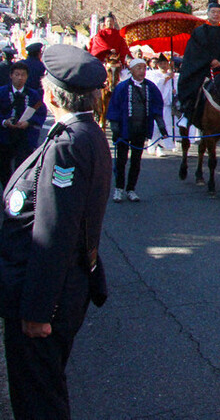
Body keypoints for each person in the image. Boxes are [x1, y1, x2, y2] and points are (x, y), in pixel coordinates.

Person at [0, 44, 110, 420]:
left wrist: (37, 310)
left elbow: (54, 233)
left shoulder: (69, 144)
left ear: (49, 94)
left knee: (37, 400)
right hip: (62, 289)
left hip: (47, 297)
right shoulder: (86, 132)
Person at [106, 58, 168, 203]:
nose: (142, 71)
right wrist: (114, 127)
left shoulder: (151, 87)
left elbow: (157, 109)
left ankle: (131, 189)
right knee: (121, 160)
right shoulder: (121, 87)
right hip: (123, 129)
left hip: (141, 129)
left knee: (136, 161)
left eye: (144, 68)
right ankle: (119, 188)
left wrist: (162, 127)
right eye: (139, 68)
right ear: (131, 70)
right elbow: (114, 107)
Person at [176, 0, 220, 129]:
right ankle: (187, 114)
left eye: (218, 12)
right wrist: (210, 60)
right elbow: (195, 51)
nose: (216, 15)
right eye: (213, 12)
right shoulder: (199, 32)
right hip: (202, 69)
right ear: (208, 13)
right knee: (193, 87)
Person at [0, 62, 48, 188]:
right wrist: (5, 121)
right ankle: (6, 190)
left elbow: (41, 112)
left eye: (23, 75)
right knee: (4, 166)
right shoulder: (2, 92)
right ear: (11, 76)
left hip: (25, 136)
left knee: (23, 165)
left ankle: (19, 190)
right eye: (17, 74)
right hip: (5, 136)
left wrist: (29, 122)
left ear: (27, 77)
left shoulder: (33, 94)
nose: (20, 77)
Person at [146, 54, 179, 156]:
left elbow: (176, 89)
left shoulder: (174, 75)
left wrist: (174, 91)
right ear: (157, 65)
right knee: (156, 127)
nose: (163, 65)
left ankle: (163, 146)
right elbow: (155, 87)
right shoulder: (152, 75)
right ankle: (154, 146)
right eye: (161, 63)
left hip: (168, 106)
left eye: (165, 63)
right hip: (156, 106)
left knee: (167, 126)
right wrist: (166, 78)